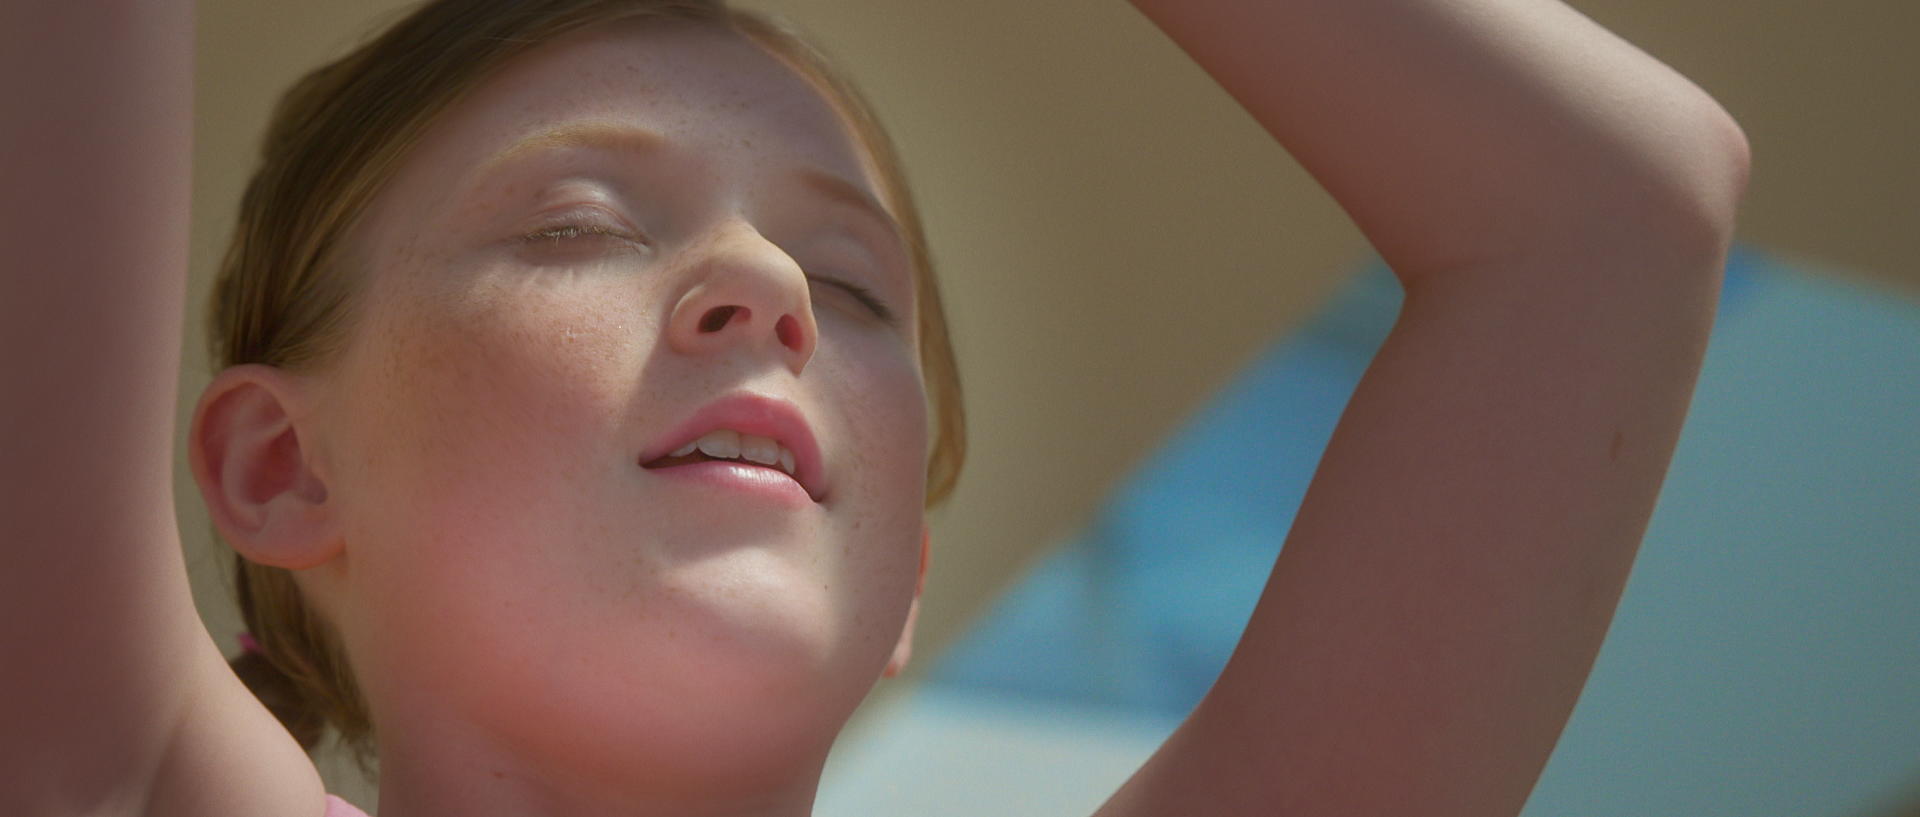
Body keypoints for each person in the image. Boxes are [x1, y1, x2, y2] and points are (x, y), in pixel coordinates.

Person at [0, 0, 1747, 814]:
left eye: (848, 289)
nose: (760, 285)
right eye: (578, 225)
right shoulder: (118, 778)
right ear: (280, 464)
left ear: (907, 571)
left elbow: (1616, 210)